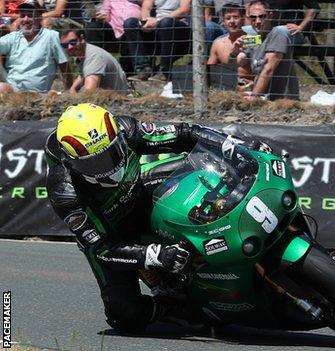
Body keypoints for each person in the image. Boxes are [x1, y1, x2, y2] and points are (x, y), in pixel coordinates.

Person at [45, 103, 271, 333]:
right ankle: (171, 307)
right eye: (94, 163)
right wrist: (152, 255)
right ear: (70, 160)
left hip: (138, 185)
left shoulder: (126, 128)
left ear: (117, 137)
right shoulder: (65, 192)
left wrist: (232, 147)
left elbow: (185, 133)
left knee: (211, 169)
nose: (107, 167)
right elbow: (101, 248)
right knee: (124, 315)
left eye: (112, 153)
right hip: (111, 232)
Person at [0, 0, 72, 93]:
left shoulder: (51, 37)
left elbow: (64, 66)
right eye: (22, 16)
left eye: (30, 15)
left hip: (38, 93)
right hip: (12, 89)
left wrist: (71, 90)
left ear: (39, 17)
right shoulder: (13, 37)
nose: (25, 20)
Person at [237, 0, 299, 100]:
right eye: (253, 17)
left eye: (262, 16)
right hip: (263, 97)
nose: (257, 21)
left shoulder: (278, 34)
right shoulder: (254, 37)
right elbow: (240, 60)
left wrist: (254, 96)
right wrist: (234, 50)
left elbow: (268, 69)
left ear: (270, 15)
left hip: (281, 101)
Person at [123, 0, 191, 82]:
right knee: (130, 23)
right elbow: (146, 8)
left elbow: (184, 10)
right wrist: (146, 21)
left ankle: (164, 71)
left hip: (178, 27)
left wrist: (158, 20)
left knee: (166, 23)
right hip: (158, 25)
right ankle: (143, 69)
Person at [60, 27, 130, 93]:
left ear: (82, 38)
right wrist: (73, 88)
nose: (69, 47)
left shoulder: (94, 56)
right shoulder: (82, 53)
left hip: (113, 100)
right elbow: (86, 72)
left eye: (73, 42)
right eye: (65, 45)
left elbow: (89, 92)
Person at [207, 4, 253, 83]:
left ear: (243, 19)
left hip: (249, 86)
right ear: (223, 21)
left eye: (236, 17)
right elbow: (209, 71)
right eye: (228, 18)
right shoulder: (218, 44)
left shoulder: (252, 39)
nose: (231, 21)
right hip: (226, 86)